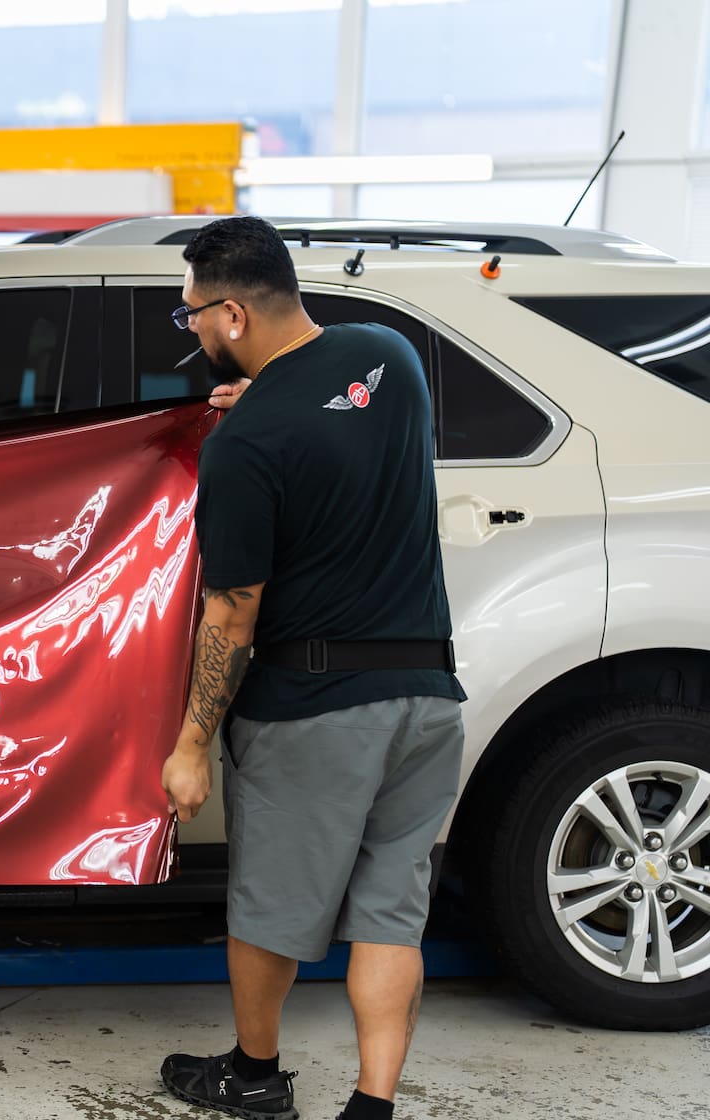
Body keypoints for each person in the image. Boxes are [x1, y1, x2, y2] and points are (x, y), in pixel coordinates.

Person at [157, 216, 466, 1120]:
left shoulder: (245, 449)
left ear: (234, 317)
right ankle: (373, 1106)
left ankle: (254, 1079)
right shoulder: (389, 353)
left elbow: (231, 613)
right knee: (389, 915)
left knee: (269, 909)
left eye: (193, 319)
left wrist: (190, 744)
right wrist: (268, 403)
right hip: (428, 702)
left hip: (316, 709)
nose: (194, 334)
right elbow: (340, 420)